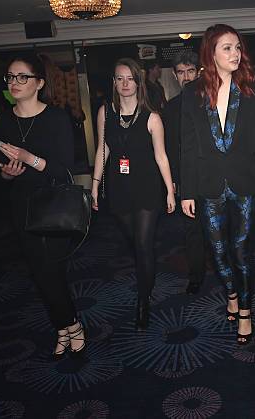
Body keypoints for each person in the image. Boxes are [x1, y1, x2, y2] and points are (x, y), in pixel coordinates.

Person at [180, 24, 255, 345]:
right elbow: (188, 146)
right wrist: (187, 192)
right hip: (208, 185)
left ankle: (246, 312)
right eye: (227, 48)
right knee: (219, 252)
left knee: (241, 250)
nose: (235, 53)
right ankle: (232, 292)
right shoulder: (191, 93)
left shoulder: (252, 90)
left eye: (238, 47)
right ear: (211, 53)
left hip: (246, 182)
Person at [0, 54, 85, 360]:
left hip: (54, 205)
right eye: (10, 77)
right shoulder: (3, 120)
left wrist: (30, 158)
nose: (14, 83)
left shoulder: (56, 118)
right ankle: (65, 328)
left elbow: (65, 169)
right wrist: (7, 172)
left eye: (22, 77)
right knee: (39, 272)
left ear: (39, 83)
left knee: (51, 271)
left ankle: (69, 326)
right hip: (22, 205)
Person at [91, 58, 175, 330]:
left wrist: (170, 191)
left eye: (129, 78)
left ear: (138, 83)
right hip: (118, 187)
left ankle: (143, 300)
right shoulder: (105, 113)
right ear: (114, 83)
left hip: (147, 187)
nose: (124, 84)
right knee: (133, 242)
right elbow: (103, 150)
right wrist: (94, 184)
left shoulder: (152, 118)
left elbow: (162, 157)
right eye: (119, 78)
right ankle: (146, 277)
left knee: (142, 245)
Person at [163, 50, 207, 295]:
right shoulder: (170, 109)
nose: (186, 77)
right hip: (186, 179)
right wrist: (174, 183)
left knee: (220, 228)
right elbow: (169, 148)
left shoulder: (211, 101)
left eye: (191, 71)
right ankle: (196, 276)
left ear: (199, 72)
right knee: (192, 230)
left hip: (212, 177)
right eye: (181, 72)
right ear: (174, 75)